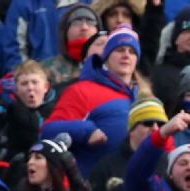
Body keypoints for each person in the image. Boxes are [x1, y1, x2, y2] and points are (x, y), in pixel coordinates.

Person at [40, 24, 140, 175]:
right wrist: (85, 131)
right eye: (119, 50)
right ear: (106, 58)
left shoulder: (144, 97)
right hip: (92, 187)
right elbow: (48, 131)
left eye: (132, 52)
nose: (126, 55)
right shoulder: (82, 91)